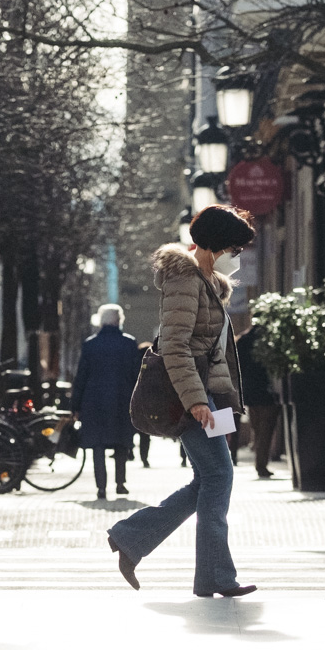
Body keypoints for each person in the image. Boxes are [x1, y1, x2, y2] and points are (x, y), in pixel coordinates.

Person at [107, 204, 257, 598]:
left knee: (208, 479)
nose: (234, 254)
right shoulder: (185, 279)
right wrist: (196, 402)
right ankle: (216, 576)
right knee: (218, 477)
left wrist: (220, 402)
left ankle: (133, 538)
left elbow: (214, 350)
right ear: (217, 241)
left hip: (207, 394)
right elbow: (174, 346)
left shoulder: (207, 280)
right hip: (190, 394)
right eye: (233, 247)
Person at [71, 304, 142, 499]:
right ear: (119, 320)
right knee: (121, 443)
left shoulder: (90, 344)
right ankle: (120, 483)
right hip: (122, 399)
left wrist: (75, 406)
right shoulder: (129, 344)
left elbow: (81, 377)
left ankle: (101, 487)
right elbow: (137, 376)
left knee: (98, 445)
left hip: (94, 402)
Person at [235, 323, 282, 479]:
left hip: (249, 392)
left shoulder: (242, 341)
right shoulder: (268, 341)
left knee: (257, 428)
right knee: (266, 430)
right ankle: (261, 465)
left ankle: (260, 462)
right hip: (266, 391)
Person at [134, 341, 153, 468]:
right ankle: (144, 458)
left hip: (133, 401)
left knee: (131, 429)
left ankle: (130, 452)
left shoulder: (134, 365)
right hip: (147, 404)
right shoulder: (152, 366)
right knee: (145, 434)